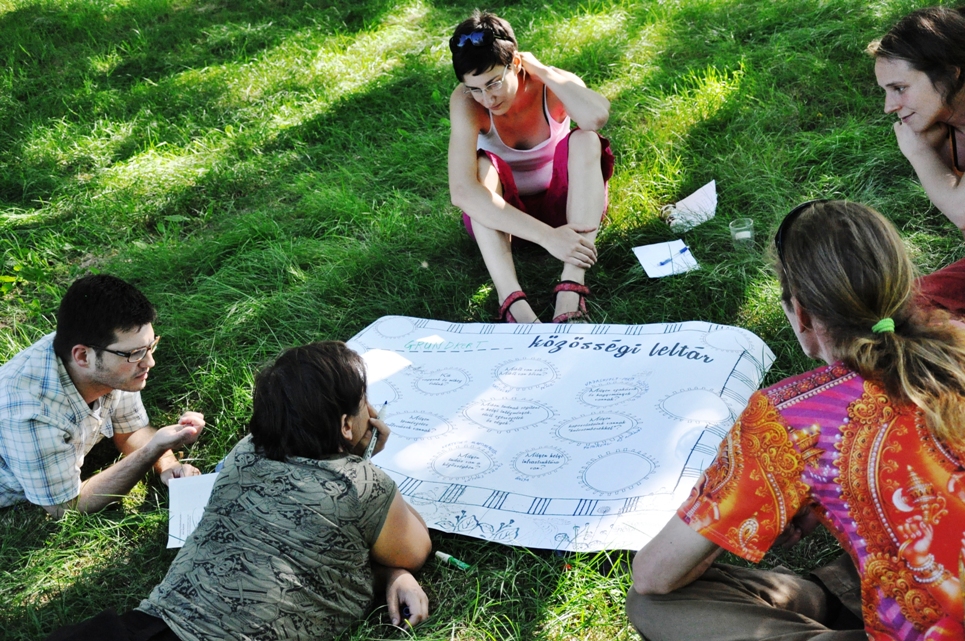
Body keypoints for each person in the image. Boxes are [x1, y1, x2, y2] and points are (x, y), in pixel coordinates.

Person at [627, 201, 965, 640]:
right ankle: (838, 595)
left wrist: (722, 526)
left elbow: (654, 575)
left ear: (801, 313)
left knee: (652, 604)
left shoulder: (794, 418)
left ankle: (831, 608)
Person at [46, 341, 431, 640]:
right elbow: (415, 549)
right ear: (347, 426)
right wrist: (363, 464)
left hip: (146, 627)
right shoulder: (362, 485)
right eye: (364, 401)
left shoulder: (246, 450)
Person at [447, 10, 614, 323]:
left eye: (494, 83)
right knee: (481, 168)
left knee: (586, 139)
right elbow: (462, 192)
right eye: (475, 88)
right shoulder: (466, 101)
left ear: (515, 62)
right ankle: (512, 301)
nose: (487, 98)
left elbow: (596, 117)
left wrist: (543, 71)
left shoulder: (549, 83)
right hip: (503, 222)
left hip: (571, 210)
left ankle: (572, 286)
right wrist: (548, 237)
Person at [0, 274, 204, 517]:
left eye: (150, 346)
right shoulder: (30, 413)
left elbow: (131, 430)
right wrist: (152, 449)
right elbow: (66, 507)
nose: (150, 362)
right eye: (136, 353)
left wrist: (168, 464)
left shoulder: (108, 360)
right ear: (83, 357)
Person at [870, 6, 965, 316]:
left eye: (900, 88)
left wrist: (920, 153)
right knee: (901, 314)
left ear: (950, 73)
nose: (889, 107)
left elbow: (963, 212)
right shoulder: (946, 126)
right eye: (887, 91)